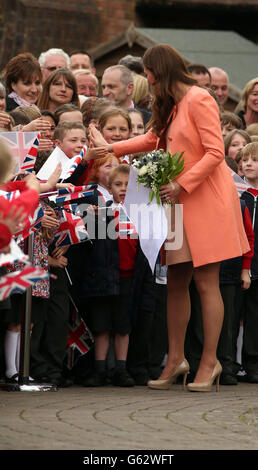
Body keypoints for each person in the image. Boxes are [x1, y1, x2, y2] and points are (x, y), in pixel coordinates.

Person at [90, 43, 250, 393]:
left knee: (206, 282)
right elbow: (151, 139)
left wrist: (182, 183)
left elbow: (215, 152)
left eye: (148, 75)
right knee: (176, 281)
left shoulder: (198, 98)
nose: (148, 83)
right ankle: (176, 360)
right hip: (177, 201)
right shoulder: (173, 105)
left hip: (205, 199)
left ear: (160, 71)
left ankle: (210, 362)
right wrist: (110, 149)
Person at [69, 164, 153, 387]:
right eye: (118, 184)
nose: (123, 189)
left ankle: (121, 369)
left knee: (123, 325)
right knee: (101, 325)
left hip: (129, 278)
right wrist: (94, 218)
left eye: (128, 185)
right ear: (109, 186)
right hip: (104, 278)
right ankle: (99, 370)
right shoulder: (101, 211)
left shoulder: (141, 214)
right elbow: (88, 240)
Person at [238, 142, 258, 383]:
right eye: (245, 160)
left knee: (254, 315)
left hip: (257, 265)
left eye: (254, 159)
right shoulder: (237, 193)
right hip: (237, 263)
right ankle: (229, 362)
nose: (248, 164)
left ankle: (252, 362)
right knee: (233, 314)